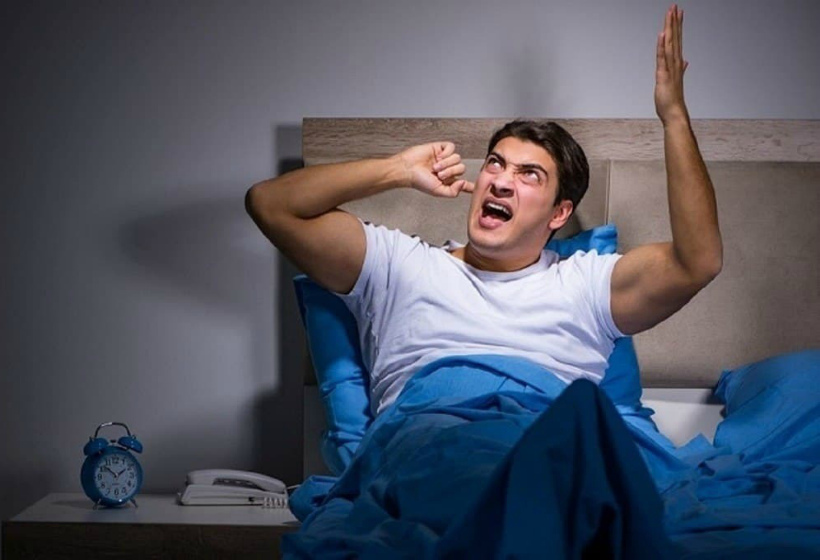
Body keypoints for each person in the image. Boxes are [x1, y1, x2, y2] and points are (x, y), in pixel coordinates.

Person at [246, 4, 722, 417]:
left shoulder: (585, 285)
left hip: (547, 453)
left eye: (529, 174)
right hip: (429, 452)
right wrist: (397, 169)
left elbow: (697, 261)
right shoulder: (399, 266)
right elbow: (271, 204)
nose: (500, 180)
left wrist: (673, 117)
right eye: (496, 163)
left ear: (560, 214)